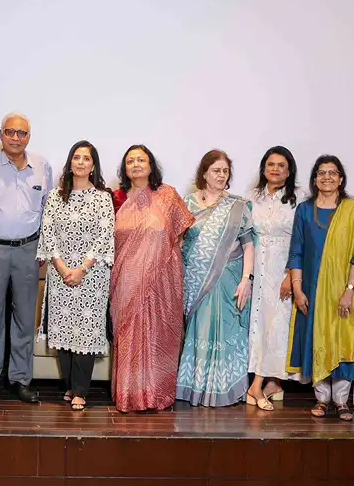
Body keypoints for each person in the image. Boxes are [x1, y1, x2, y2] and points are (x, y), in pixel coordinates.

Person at [287, 155, 354, 422]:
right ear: (314, 179)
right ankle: (321, 398)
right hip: (312, 289)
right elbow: (296, 251)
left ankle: (341, 401)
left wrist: (349, 290)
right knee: (317, 338)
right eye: (321, 173)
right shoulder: (305, 210)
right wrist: (297, 289)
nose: (327, 177)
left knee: (343, 339)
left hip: (344, 289)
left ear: (340, 178)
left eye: (332, 172)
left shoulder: (353, 209)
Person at [0, 112, 54, 403]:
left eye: (22, 133)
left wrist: (44, 249)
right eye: (10, 132)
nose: (16, 138)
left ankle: (20, 379)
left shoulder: (42, 166)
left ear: (29, 137)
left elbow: (47, 211)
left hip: (28, 249)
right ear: (1, 134)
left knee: (24, 315)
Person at [110, 145, 193, 413]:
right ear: (125, 168)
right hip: (126, 279)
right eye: (130, 161)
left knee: (159, 334)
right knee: (128, 333)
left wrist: (159, 261)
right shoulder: (116, 198)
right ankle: (130, 394)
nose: (135, 164)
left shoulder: (168, 196)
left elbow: (180, 234)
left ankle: (157, 394)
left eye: (141, 160)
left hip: (161, 282)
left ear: (150, 165)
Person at [36, 141, 114, 411]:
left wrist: (82, 269)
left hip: (91, 276)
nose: (81, 162)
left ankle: (81, 390)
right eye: (77, 157)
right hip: (60, 274)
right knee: (64, 328)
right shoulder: (55, 196)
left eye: (86, 158)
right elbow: (48, 233)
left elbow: (104, 237)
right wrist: (61, 267)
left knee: (86, 330)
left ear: (93, 165)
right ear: (70, 163)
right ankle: (69, 385)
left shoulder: (103, 198)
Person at [176, 150, 255, 407]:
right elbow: (178, 242)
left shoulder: (237, 205)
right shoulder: (187, 203)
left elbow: (248, 245)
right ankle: (195, 387)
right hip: (194, 280)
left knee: (225, 329)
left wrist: (247, 279)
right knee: (199, 329)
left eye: (225, 171)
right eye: (216, 170)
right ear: (205, 173)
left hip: (228, 279)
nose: (221, 175)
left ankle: (225, 388)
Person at [246, 146, 302, 410]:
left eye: (281, 165)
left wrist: (291, 274)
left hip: (283, 269)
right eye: (271, 164)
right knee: (259, 325)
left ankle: (257, 385)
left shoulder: (299, 199)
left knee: (278, 326)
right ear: (263, 168)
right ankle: (273, 384)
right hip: (257, 267)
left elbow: (301, 240)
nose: (275, 169)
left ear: (289, 171)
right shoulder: (252, 197)